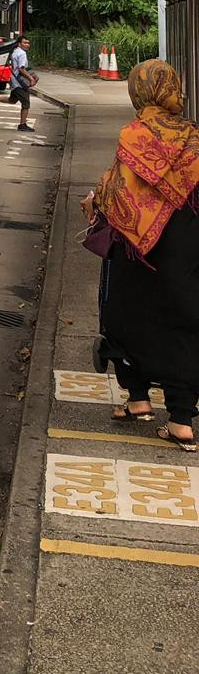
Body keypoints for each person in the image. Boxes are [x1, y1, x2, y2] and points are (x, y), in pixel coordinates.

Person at [85, 59, 199, 453]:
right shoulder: (194, 137)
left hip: (137, 252)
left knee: (125, 316)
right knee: (184, 324)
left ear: (139, 91)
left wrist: (95, 199)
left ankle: (138, 400)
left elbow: (116, 191)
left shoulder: (135, 135)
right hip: (186, 250)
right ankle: (181, 420)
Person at [8, 34, 34, 131]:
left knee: (12, 100)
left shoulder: (15, 51)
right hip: (20, 83)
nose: (27, 45)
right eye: (25, 43)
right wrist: (31, 78)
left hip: (14, 80)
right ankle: (22, 125)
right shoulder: (22, 54)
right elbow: (21, 69)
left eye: (28, 43)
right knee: (26, 103)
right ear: (19, 44)